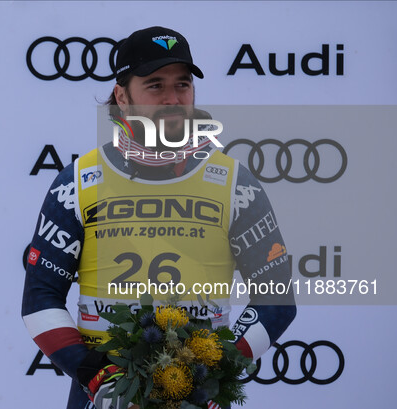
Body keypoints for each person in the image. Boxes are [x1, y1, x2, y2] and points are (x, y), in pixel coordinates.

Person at [22, 26, 296, 409]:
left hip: (199, 393)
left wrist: (216, 369)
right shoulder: (78, 182)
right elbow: (40, 299)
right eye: (155, 86)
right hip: (106, 393)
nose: (173, 99)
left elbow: (276, 299)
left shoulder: (236, 184)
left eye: (182, 85)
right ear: (122, 95)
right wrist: (98, 376)